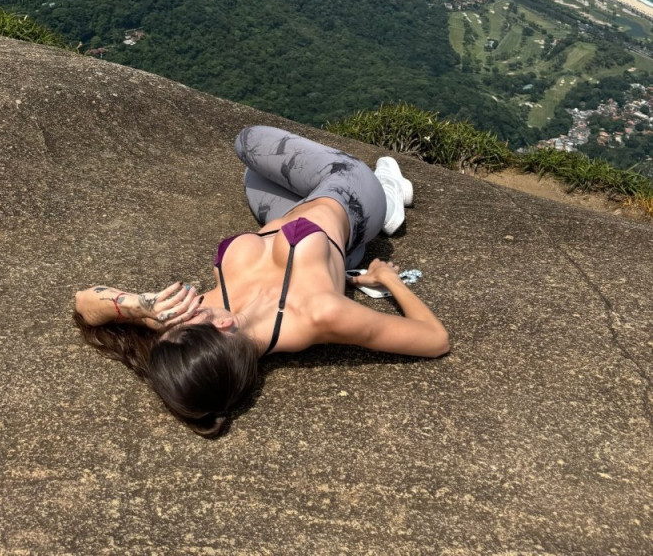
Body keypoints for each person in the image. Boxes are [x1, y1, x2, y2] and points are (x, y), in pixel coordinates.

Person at [74, 126, 450, 437]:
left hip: (295, 215)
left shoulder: (206, 324)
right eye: (182, 324)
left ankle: (352, 252)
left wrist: (136, 306)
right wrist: (388, 279)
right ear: (224, 325)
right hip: (351, 197)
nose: (175, 317)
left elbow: (84, 303)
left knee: (252, 175)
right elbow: (435, 340)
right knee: (248, 141)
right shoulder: (319, 313)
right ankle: (388, 195)